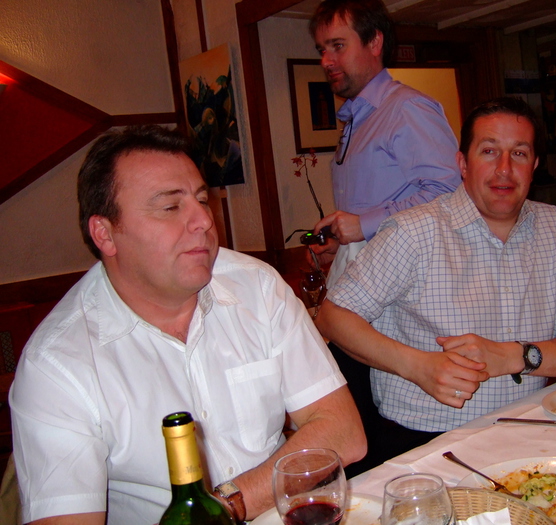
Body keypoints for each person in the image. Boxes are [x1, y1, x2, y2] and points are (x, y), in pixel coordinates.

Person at [9, 126, 366, 525]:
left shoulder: (257, 287)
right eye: (170, 207)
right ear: (105, 234)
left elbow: (344, 433)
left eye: (201, 200)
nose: (203, 221)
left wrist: (222, 508)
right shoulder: (58, 364)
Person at [316, 97, 556, 468]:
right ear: (462, 164)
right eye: (489, 151)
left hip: (527, 429)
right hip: (424, 442)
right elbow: (332, 316)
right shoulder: (414, 232)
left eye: (519, 153)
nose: (504, 169)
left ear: (534, 166)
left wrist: (513, 356)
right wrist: (419, 367)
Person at [307, 0, 462, 289]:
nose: (326, 61)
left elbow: (451, 194)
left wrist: (363, 225)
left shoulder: (407, 108)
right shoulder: (358, 119)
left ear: (375, 42)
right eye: (322, 50)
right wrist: (343, 245)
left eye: (338, 46)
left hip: (411, 293)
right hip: (372, 288)